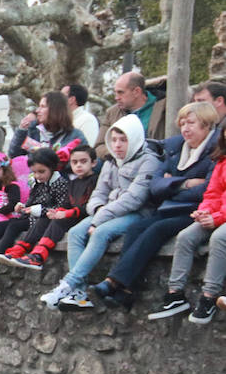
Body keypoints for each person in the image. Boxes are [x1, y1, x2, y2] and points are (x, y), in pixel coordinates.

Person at [90, 102, 220, 310]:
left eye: (191, 123)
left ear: (206, 125)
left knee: (157, 230)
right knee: (136, 228)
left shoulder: (215, 150)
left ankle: (114, 281)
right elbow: (155, 186)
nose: (185, 128)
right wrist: (184, 183)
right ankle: (127, 290)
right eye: (183, 123)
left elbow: (205, 189)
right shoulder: (177, 149)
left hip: (196, 210)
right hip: (170, 206)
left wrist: (171, 183)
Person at [41, 115, 158, 309]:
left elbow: (135, 199)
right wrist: (97, 209)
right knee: (76, 233)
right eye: (114, 140)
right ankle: (80, 293)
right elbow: (99, 193)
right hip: (107, 211)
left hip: (138, 212)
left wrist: (99, 219)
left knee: (101, 233)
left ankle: (68, 284)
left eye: (123, 140)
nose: (118, 145)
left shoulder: (148, 161)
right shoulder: (112, 162)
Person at [148, 140, 226, 324]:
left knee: (219, 238)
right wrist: (205, 211)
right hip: (216, 213)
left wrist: (217, 218)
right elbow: (213, 193)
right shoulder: (221, 162)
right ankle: (175, 295)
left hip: (221, 217)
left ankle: (208, 298)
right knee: (185, 237)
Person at [0, 147, 67, 279]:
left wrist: (37, 210)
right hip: (31, 215)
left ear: (52, 168)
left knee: (13, 226)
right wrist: (23, 206)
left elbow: (60, 207)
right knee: (1, 225)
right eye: (35, 172)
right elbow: (32, 199)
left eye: (42, 172)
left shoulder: (60, 183)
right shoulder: (38, 182)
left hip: (43, 219)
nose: (38, 175)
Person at [0, 143, 98, 270]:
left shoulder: (94, 180)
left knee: (59, 222)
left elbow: (89, 206)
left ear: (94, 163)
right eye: (74, 162)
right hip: (70, 214)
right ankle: (22, 247)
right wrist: (56, 212)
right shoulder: (73, 183)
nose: (78, 165)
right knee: (46, 217)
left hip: (82, 217)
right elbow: (66, 203)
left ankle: (39, 256)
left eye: (83, 161)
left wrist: (65, 213)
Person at [95, 72, 166, 156]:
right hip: (121, 165)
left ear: (137, 91)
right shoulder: (112, 112)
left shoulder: (165, 106)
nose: (116, 98)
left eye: (120, 92)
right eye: (115, 93)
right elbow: (99, 146)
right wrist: (122, 154)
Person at [8, 90, 87, 158]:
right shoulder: (34, 131)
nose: (38, 110)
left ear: (55, 110)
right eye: (39, 106)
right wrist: (21, 130)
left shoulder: (74, 136)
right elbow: (14, 154)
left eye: (43, 106)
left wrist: (54, 160)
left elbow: (81, 162)